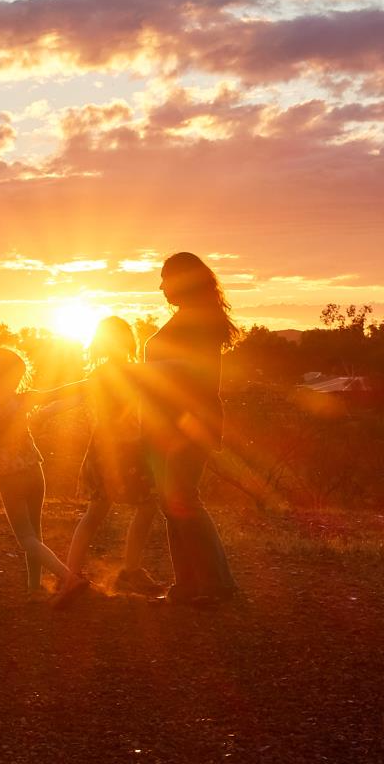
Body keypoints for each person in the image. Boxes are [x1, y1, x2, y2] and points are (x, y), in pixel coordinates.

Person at [140, 251, 239, 605]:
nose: (162, 286)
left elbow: (191, 371)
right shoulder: (190, 318)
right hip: (168, 423)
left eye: (167, 278)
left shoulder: (198, 321)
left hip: (188, 423)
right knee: (172, 501)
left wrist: (140, 373)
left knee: (182, 498)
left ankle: (217, 585)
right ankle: (188, 584)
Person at [0, 346, 89, 603]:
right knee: (35, 533)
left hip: (10, 476)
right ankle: (34, 588)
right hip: (35, 470)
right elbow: (57, 394)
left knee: (26, 537)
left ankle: (68, 579)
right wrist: (89, 384)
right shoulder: (22, 399)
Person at [64, 316, 160, 594]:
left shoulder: (105, 372)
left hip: (109, 448)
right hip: (122, 448)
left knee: (100, 510)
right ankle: (125, 572)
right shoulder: (128, 372)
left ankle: (72, 574)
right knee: (143, 504)